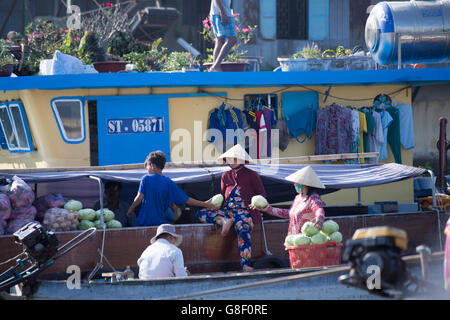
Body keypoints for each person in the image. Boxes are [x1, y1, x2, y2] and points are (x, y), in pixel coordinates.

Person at [196, 144, 266, 272]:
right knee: (200, 213)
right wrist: (210, 203)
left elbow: (262, 194)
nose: (231, 162)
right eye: (229, 159)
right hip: (227, 212)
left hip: (244, 212)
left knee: (244, 229)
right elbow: (222, 196)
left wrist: (256, 204)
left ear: (242, 160)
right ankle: (224, 222)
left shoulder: (252, 175)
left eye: (235, 159)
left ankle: (245, 264)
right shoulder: (225, 176)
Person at [126, 150, 218, 226]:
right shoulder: (169, 182)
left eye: (147, 167)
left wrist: (131, 209)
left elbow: (139, 197)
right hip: (160, 226)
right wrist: (206, 204)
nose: (147, 170)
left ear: (152, 166)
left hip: (144, 224)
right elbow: (187, 200)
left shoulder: (146, 178)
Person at [250, 166, 325, 235]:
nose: (294, 184)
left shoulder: (314, 197)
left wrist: (319, 218)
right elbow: (289, 214)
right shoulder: (298, 198)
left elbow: (318, 209)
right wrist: (267, 208)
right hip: (295, 239)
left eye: (296, 182)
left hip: (308, 239)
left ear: (304, 183)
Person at [208, 0, 237, 72]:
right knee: (232, 39)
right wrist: (222, 12)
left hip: (216, 13)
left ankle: (215, 68)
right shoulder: (222, 13)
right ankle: (216, 66)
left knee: (219, 40)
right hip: (222, 14)